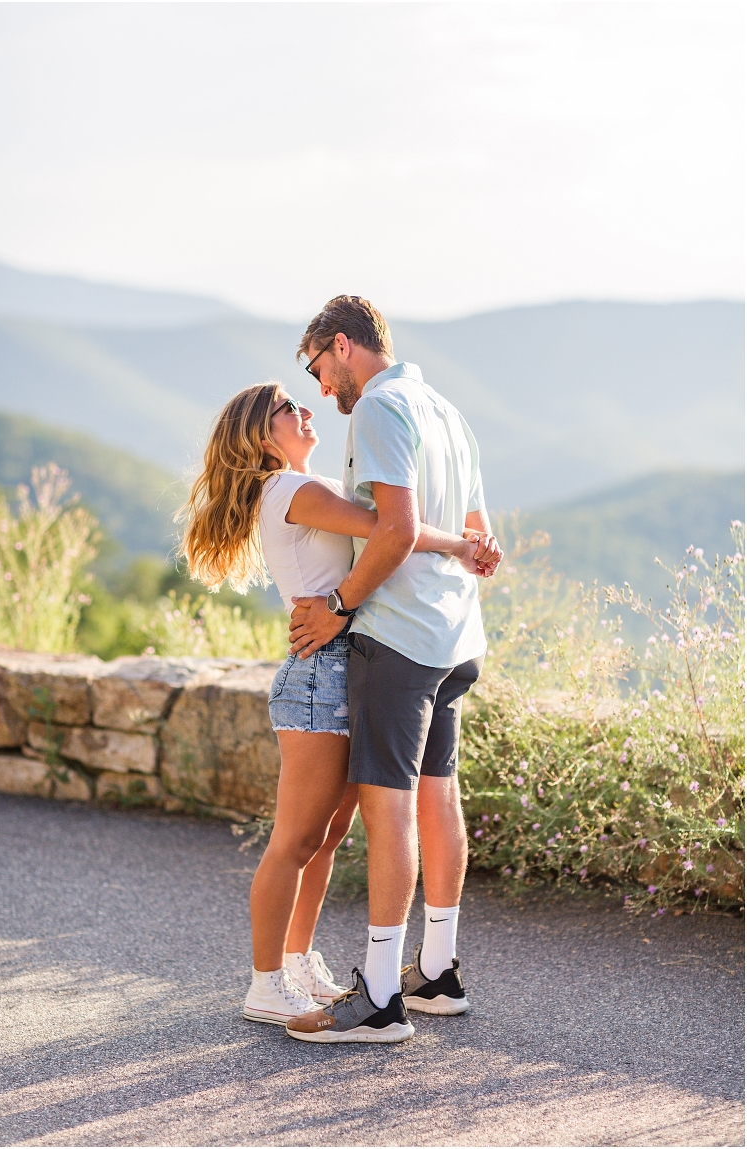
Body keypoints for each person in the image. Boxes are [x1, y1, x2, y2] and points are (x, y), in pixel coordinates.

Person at [178, 381, 496, 1029]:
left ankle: (296, 963)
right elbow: (389, 529)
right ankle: (265, 982)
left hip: (348, 668)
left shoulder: (308, 486)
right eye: (288, 408)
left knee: (325, 839)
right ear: (261, 435)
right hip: (319, 676)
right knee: (296, 839)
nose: (305, 410)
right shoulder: (289, 490)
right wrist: (462, 545)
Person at [283, 295, 502, 1045]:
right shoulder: (446, 411)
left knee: (390, 809)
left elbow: (398, 529)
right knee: (439, 796)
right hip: (456, 636)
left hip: (400, 637)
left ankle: (379, 996)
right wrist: (470, 554)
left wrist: (338, 605)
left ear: (343, 346)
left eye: (318, 368)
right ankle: (436, 972)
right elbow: (479, 538)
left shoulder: (379, 407)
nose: (321, 388)